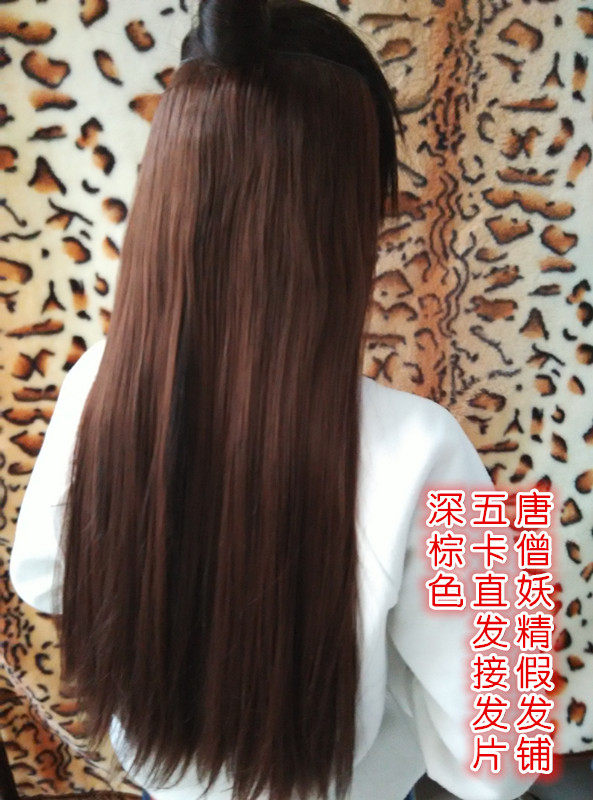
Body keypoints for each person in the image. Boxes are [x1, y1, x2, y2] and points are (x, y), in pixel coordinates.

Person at [10, 1, 536, 799]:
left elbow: (42, 579)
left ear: (170, 193)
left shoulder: (93, 384)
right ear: (347, 215)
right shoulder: (428, 449)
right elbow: (502, 748)